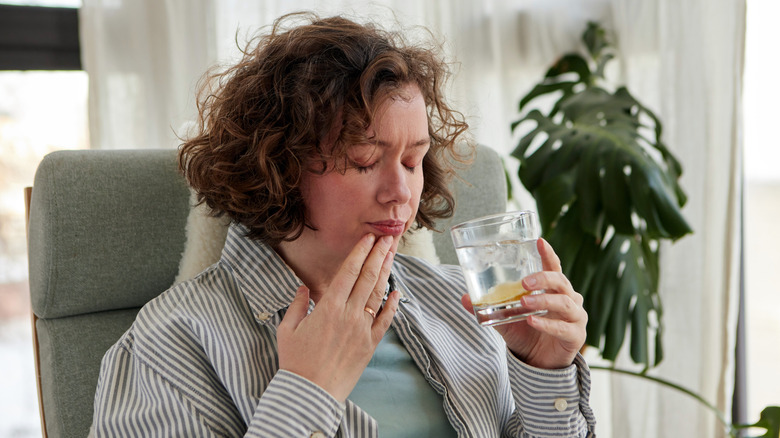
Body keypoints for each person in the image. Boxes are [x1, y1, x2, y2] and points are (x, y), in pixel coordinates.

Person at [91, 12, 596, 437]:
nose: (401, 192)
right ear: (280, 168)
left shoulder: (467, 309)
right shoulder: (168, 345)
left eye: (413, 161)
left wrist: (543, 369)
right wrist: (308, 392)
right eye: (362, 160)